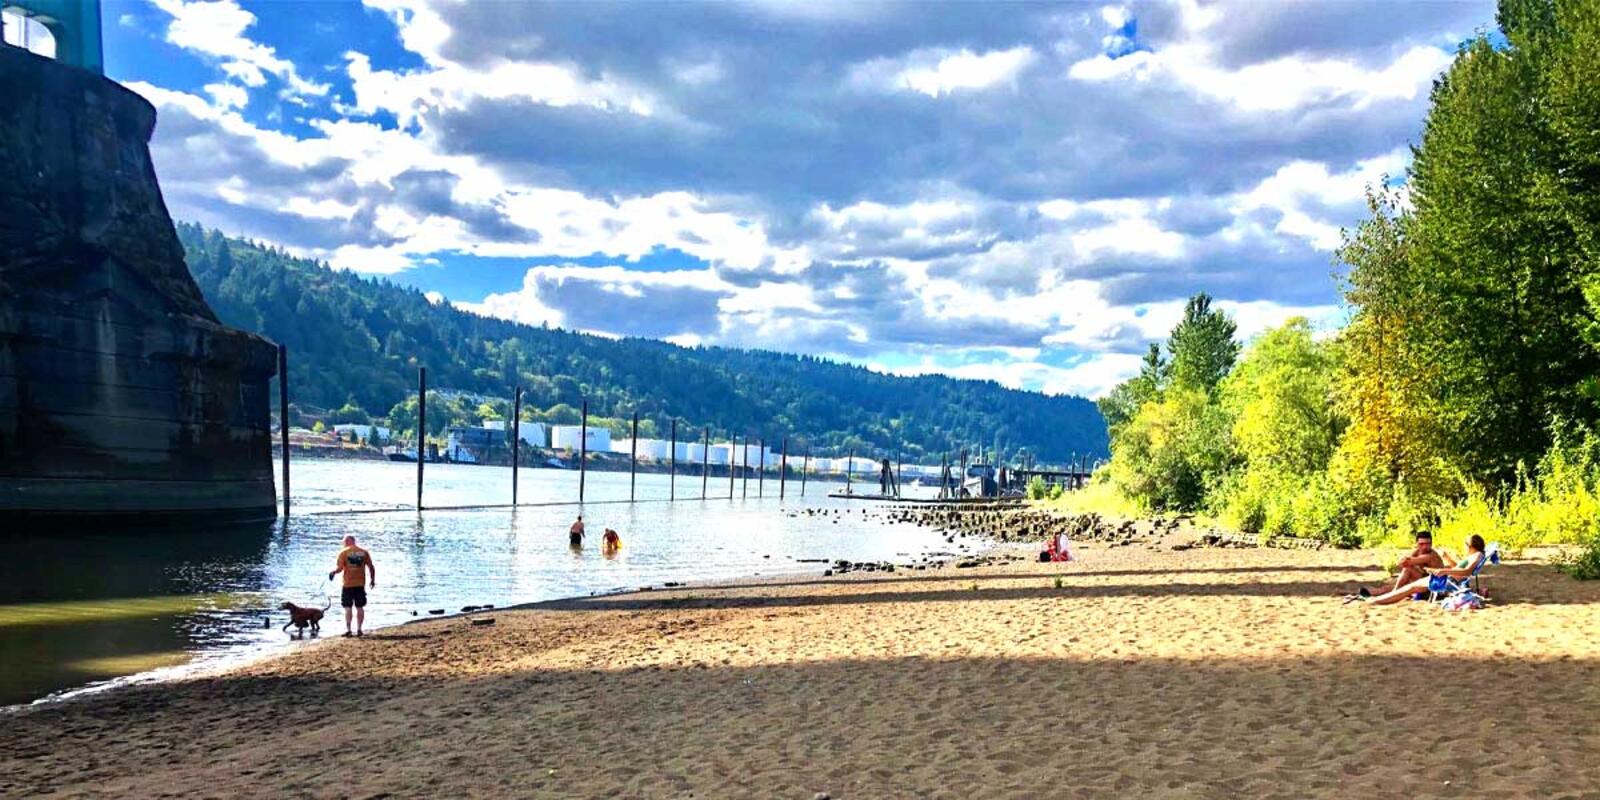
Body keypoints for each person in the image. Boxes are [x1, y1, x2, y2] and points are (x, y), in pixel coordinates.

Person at [1356, 535, 1487, 606]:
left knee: (1409, 588)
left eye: (1465, 545)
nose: (1464, 548)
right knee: (1409, 588)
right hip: (1447, 578)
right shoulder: (1474, 555)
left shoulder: (1477, 555)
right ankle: (1377, 598)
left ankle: (1375, 601)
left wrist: (1444, 572)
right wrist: (1447, 560)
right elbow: (1460, 567)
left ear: (1470, 546)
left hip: (1446, 581)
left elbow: (1467, 572)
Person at [328, 535, 376, 637]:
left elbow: (340, 568)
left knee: (347, 607)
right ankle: (359, 629)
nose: (343, 544)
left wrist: (333, 572)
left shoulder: (344, 552)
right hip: (360, 584)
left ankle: (349, 630)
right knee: (360, 607)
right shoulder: (363, 552)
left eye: (344, 542)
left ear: (347, 542)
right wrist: (372, 580)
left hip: (348, 585)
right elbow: (371, 567)